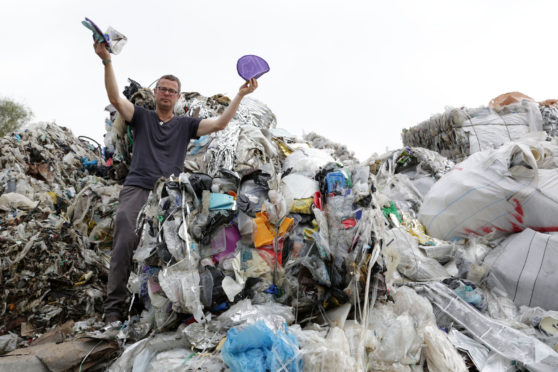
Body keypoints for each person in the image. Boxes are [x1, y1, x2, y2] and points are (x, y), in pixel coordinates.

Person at [93, 41, 258, 323]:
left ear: (177, 96)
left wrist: (240, 95)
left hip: (170, 194)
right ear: (156, 93)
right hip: (137, 187)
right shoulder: (141, 117)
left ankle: (159, 307)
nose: (167, 94)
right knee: (125, 238)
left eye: (172, 91)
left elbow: (219, 124)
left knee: (171, 248)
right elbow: (116, 99)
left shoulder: (184, 125)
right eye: (163, 89)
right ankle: (113, 309)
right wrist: (107, 61)